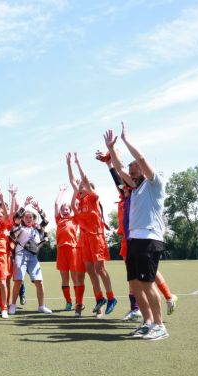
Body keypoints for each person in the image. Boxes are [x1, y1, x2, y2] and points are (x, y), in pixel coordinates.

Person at [105, 122, 169, 340]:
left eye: (135, 172)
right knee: (135, 284)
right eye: (131, 173)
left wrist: (125, 140)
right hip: (134, 240)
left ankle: (160, 326)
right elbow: (120, 167)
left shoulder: (154, 184)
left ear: (144, 171)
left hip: (149, 239)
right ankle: (147, 322)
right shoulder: (135, 187)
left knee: (147, 283)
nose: (131, 175)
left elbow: (140, 159)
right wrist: (112, 149)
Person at [69, 152, 117, 316]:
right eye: (80, 187)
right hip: (86, 239)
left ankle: (111, 297)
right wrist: (69, 165)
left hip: (96, 236)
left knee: (100, 268)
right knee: (90, 269)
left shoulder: (94, 199)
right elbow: (72, 183)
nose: (80, 188)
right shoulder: (81, 203)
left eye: (83, 186)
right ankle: (99, 298)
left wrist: (78, 163)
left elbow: (85, 179)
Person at [7, 198, 52, 315]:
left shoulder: (37, 229)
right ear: (23, 219)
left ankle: (41, 306)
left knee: (39, 281)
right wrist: (24, 205)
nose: (28, 219)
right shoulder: (19, 228)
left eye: (30, 217)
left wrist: (39, 210)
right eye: (26, 217)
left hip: (33, 257)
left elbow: (46, 221)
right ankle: (13, 305)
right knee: (18, 280)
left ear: (33, 219)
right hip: (20, 255)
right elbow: (16, 218)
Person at [54, 184, 85, 314]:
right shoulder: (58, 220)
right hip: (61, 250)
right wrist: (61, 191)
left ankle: (79, 302)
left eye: (67, 209)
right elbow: (56, 204)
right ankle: (68, 302)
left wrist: (75, 190)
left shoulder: (74, 219)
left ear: (70, 210)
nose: (65, 211)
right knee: (64, 278)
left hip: (73, 250)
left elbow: (75, 205)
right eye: (63, 210)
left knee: (76, 279)